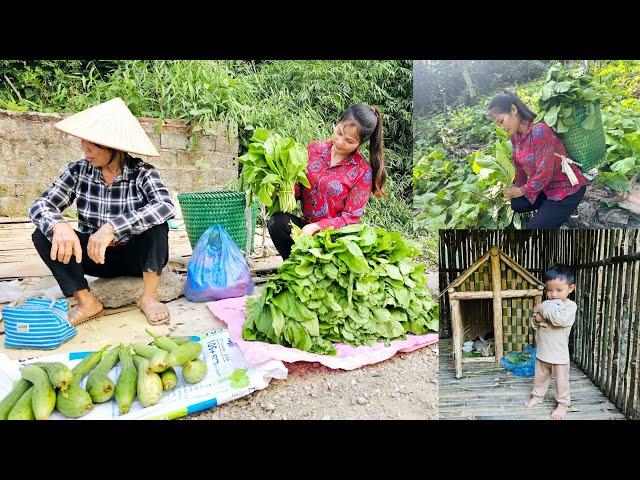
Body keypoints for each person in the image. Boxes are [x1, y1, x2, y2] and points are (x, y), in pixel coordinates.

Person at [29, 97, 176, 326]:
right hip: (95, 256)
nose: (86, 150)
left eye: (94, 145)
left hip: (135, 257)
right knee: (42, 233)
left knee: (158, 226)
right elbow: (41, 205)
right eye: (84, 142)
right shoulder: (79, 171)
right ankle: (86, 301)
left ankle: (149, 297)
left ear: (115, 148)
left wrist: (113, 227)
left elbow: (165, 206)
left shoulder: (143, 173)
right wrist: (59, 225)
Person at [267, 104, 387, 260]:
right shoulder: (314, 149)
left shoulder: (362, 171)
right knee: (277, 223)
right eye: (339, 132)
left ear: (360, 143)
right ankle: (294, 265)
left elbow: (350, 218)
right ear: (337, 124)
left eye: (349, 141)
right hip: (306, 230)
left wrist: (318, 227)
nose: (340, 141)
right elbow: (300, 187)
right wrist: (286, 190)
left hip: (335, 239)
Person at [488, 91, 588, 229]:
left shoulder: (539, 131)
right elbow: (519, 166)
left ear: (513, 110)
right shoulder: (515, 136)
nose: (502, 127)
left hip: (566, 188)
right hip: (546, 188)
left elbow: (543, 175)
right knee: (517, 203)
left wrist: (519, 191)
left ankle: (557, 211)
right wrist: (517, 187)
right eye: (498, 125)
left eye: (501, 121)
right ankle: (549, 212)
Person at [525, 264, 577, 420]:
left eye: (559, 290)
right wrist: (536, 319)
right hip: (543, 352)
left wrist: (543, 309)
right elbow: (535, 323)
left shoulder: (570, 306)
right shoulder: (546, 304)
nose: (553, 294)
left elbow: (559, 319)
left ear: (571, 288)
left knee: (561, 382)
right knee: (539, 378)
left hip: (559, 355)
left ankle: (563, 404)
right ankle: (538, 396)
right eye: (549, 290)